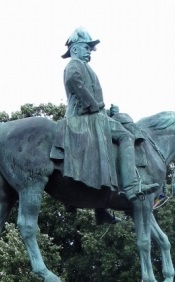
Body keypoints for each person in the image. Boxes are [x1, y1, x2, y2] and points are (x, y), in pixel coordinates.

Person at [55, 28, 159, 201]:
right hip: (84, 117)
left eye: (90, 48)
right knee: (125, 136)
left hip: (94, 114)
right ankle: (132, 186)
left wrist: (108, 111)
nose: (90, 51)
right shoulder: (75, 65)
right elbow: (74, 82)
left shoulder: (84, 66)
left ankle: (103, 204)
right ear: (74, 49)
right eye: (86, 47)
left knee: (123, 119)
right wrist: (94, 106)